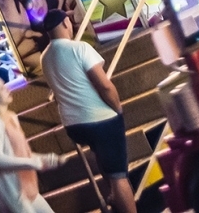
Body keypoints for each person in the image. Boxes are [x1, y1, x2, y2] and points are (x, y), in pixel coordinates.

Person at [37, 12, 135, 213]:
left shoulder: (44, 57)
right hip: (100, 119)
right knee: (119, 175)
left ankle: (115, 198)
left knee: (102, 156)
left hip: (74, 125)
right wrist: (117, 108)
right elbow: (104, 86)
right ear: (65, 22)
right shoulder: (80, 48)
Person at [0, 76, 60, 213]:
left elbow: (21, 152)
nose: (7, 89)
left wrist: (44, 158)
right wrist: (32, 163)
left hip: (26, 186)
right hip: (12, 191)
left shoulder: (11, 116)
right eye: (2, 88)